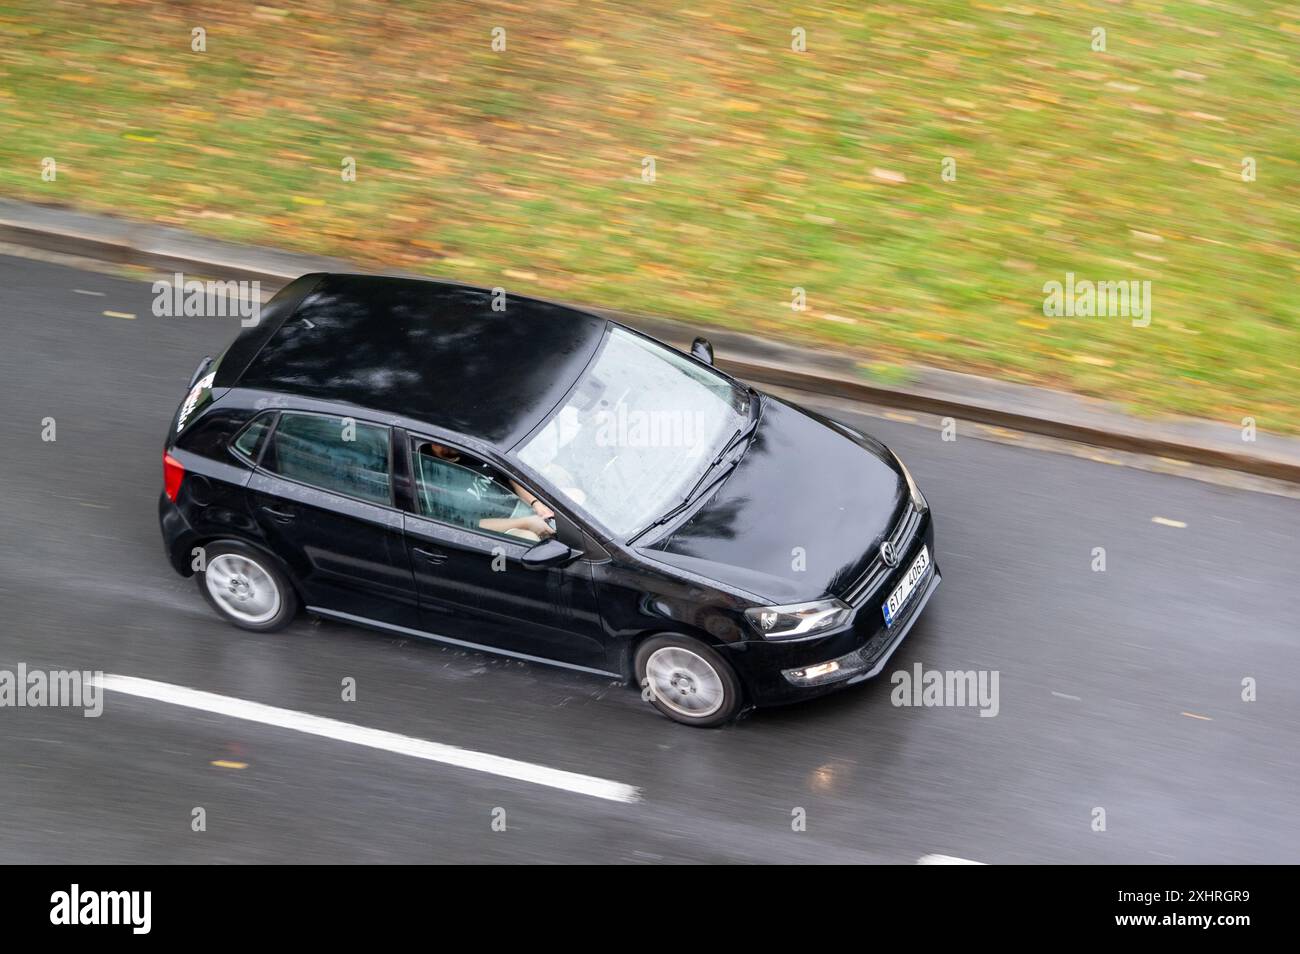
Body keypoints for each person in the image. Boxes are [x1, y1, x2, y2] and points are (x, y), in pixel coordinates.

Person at [420, 442, 555, 541]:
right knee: (530, 539)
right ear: (434, 446)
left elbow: (510, 473)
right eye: (440, 443)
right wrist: (526, 523)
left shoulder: (470, 449)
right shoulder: (435, 481)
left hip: (524, 505)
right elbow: (472, 525)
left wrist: (535, 502)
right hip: (505, 527)